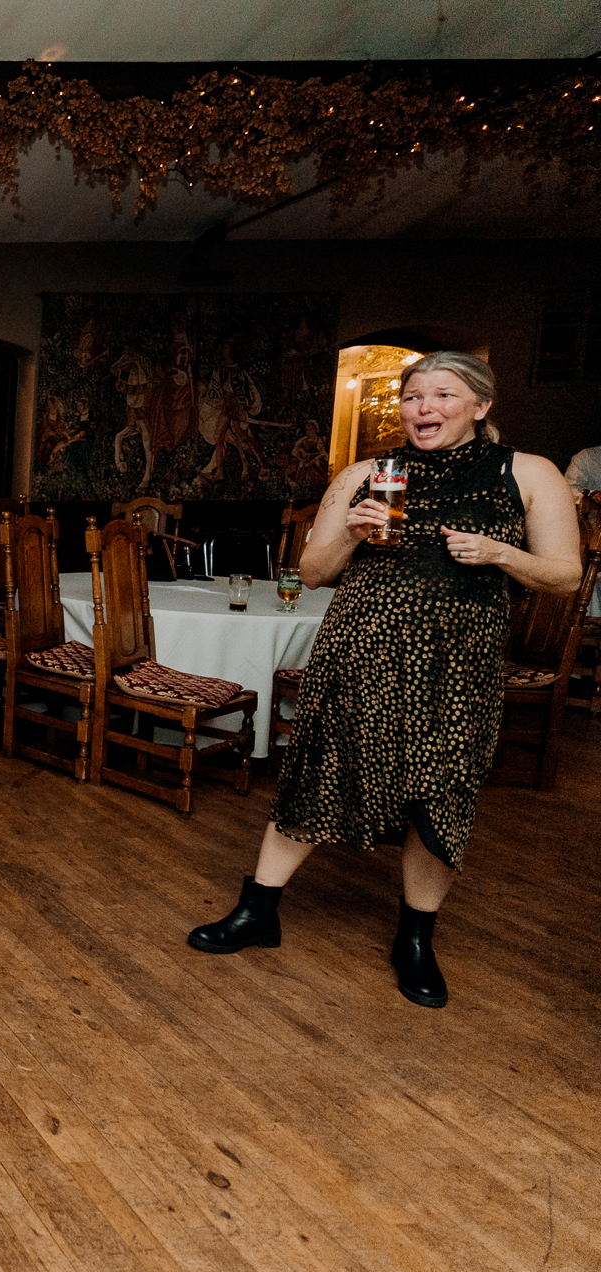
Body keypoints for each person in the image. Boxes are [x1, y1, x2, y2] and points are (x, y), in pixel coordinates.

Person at [188, 352, 582, 1007]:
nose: (423, 408)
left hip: (458, 668)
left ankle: (415, 940)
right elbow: (310, 573)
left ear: (481, 406)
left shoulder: (528, 473)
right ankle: (258, 911)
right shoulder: (369, 473)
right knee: (319, 768)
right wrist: (347, 530)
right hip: (358, 650)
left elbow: (565, 575)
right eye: (412, 396)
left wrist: (501, 553)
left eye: (443, 395)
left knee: (440, 792)